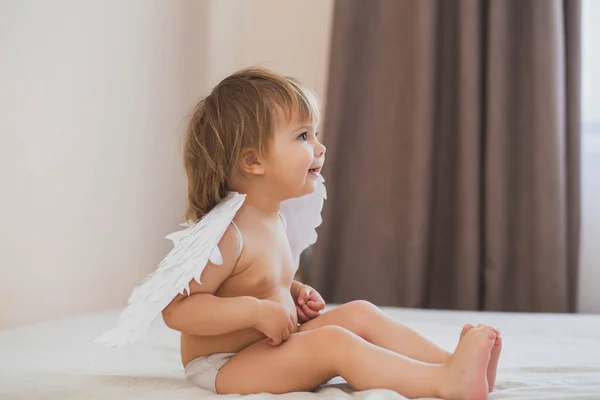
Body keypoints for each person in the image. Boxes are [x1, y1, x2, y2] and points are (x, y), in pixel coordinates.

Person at [150, 67, 502, 399]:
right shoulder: (226, 234)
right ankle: (443, 383)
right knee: (334, 342)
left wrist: (293, 292)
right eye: (303, 136)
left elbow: (258, 280)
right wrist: (255, 312)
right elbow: (176, 309)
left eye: (315, 134)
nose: (320, 148)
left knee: (359, 313)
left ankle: (451, 362)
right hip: (223, 366)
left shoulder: (275, 219)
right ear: (253, 161)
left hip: (263, 348)